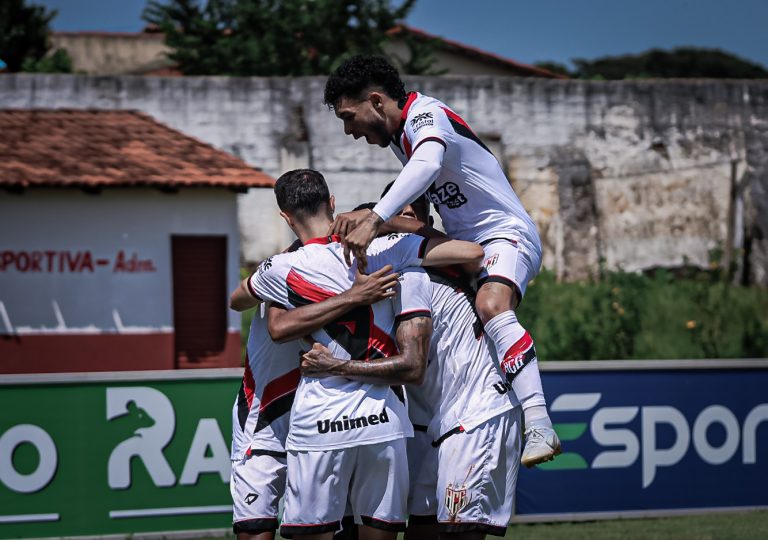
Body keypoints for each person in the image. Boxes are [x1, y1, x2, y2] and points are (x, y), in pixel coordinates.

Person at [324, 55, 560, 467]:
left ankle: (539, 423)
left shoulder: (425, 115)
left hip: (504, 233)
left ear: (376, 101)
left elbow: (428, 163)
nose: (349, 130)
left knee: (491, 306)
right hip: (463, 242)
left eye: (349, 116)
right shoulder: (401, 138)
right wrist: (369, 218)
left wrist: (375, 217)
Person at [229, 169, 484, 540]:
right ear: (333, 204)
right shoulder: (386, 250)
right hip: (383, 422)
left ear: (285, 217)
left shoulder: (281, 268)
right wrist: (386, 222)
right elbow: (472, 252)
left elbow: (239, 302)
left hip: (319, 420)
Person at [303, 193, 522, 540]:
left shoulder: (412, 270)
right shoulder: (387, 268)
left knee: (457, 532)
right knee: (420, 529)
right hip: (429, 422)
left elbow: (412, 367)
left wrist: (335, 366)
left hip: (474, 414)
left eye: (412, 213)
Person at [229, 266, 399, 540]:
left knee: (338, 529)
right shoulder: (284, 265)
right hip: (265, 420)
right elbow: (241, 302)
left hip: (322, 419)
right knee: (255, 531)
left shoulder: (350, 268)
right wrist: (353, 296)